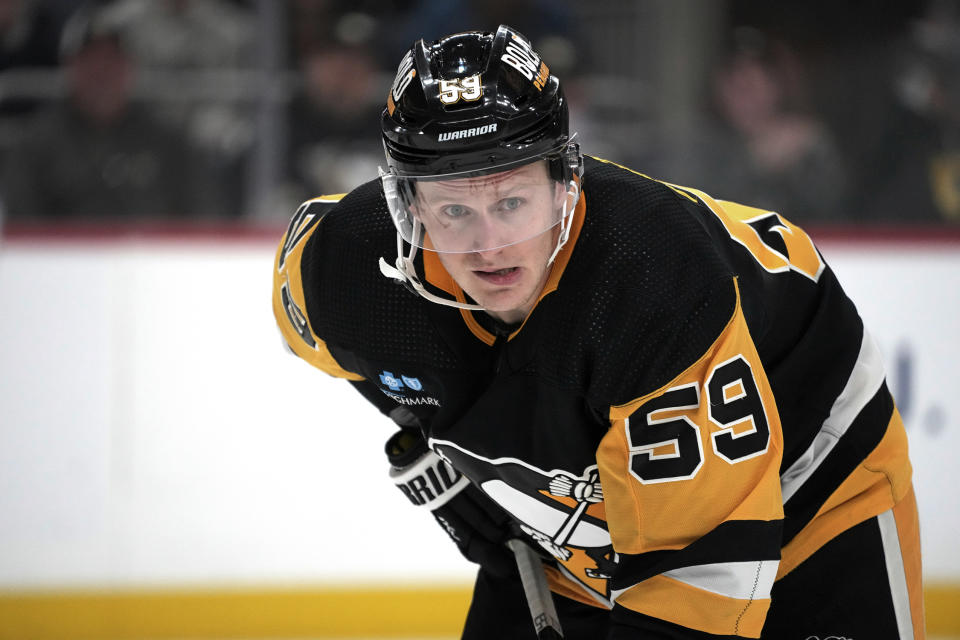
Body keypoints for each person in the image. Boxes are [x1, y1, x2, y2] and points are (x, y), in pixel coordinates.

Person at [272, 25, 924, 639]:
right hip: (588, 522)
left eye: (511, 202)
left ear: (563, 183)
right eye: (452, 209)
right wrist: (425, 430)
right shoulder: (348, 268)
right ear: (406, 207)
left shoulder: (652, 282)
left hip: (811, 475)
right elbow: (336, 335)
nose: (489, 246)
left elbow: (694, 581)